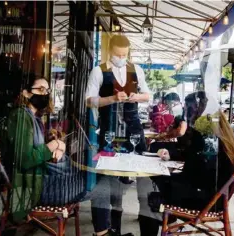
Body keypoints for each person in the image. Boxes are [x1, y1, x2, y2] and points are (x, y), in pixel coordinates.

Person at [138, 91, 234, 236]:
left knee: (150, 199)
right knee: (156, 182)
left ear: (200, 109)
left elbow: (197, 171)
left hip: (205, 199)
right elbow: (195, 161)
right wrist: (172, 158)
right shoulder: (217, 133)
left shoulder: (208, 136)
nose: (186, 112)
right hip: (209, 194)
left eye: (189, 108)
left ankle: (165, 220)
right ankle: (168, 224)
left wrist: (169, 180)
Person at [86, 35, 150, 236]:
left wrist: (136, 96)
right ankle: (107, 230)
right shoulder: (98, 71)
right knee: (107, 180)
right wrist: (112, 98)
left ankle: (148, 223)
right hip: (109, 132)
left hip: (134, 131)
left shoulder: (136, 70)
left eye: (124, 54)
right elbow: (89, 101)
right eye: (117, 54)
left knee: (145, 180)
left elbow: (148, 95)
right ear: (109, 52)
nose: (121, 58)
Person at [6, 76, 69, 222]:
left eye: (47, 90)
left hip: (38, 180)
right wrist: (53, 146)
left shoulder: (35, 118)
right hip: (30, 186)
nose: (45, 94)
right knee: (83, 184)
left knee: (80, 181)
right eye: (40, 89)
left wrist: (54, 145)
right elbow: (25, 160)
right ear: (26, 93)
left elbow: (35, 149)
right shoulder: (21, 117)